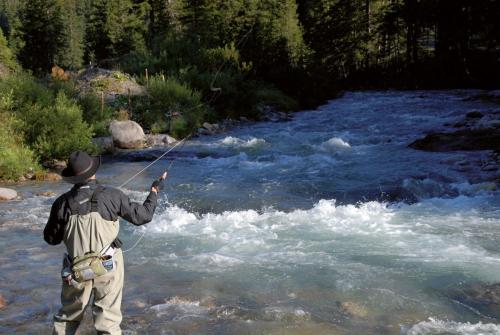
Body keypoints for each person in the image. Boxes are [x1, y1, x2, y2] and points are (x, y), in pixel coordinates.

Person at [43, 151, 166, 335]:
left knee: (67, 319)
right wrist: (154, 192)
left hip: (76, 272)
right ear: (93, 172)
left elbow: (51, 239)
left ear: (73, 177)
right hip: (108, 267)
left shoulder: (61, 204)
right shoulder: (113, 195)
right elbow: (143, 216)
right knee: (108, 323)